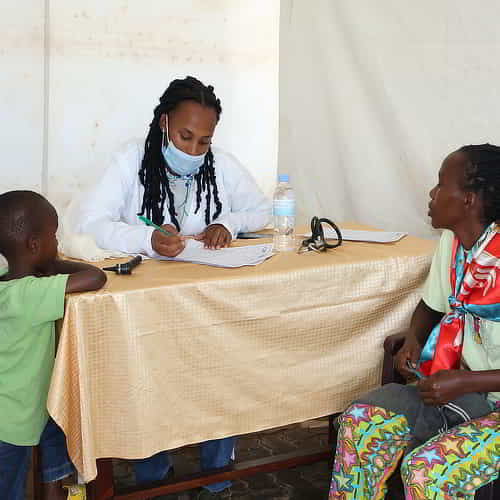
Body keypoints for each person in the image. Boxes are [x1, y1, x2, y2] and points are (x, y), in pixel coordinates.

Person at [71, 76, 271, 498]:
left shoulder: (221, 165)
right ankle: (154, 478)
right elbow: (92, 223)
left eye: (204, 140)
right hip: (148, 304)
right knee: (149, 379)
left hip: (207, 300)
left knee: (219, 376)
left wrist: (226, 223)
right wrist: (147, 240)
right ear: (164, 123)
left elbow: (260, 209)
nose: (194, 150)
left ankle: (217, 476)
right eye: (185, 136)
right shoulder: (129, 161)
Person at [329, 144, 500, 500]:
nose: (432, 193)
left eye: (441, 184)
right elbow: (432, 304)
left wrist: (466, 381)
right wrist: (413, 340)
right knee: (359, 424)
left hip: (483, 394)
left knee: (426, 472)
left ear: (468, 200)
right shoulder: (453, 242)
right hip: (460, 387)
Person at [0, 190, 107, 500]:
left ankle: (55, 490)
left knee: (56, 425)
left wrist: (44, 265)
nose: (58, 244)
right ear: (34, 244)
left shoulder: (8, 282)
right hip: (13, 421)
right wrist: (56, 264)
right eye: (54, 237)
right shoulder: (31, 295)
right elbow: (95, 277)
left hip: (24, 405)